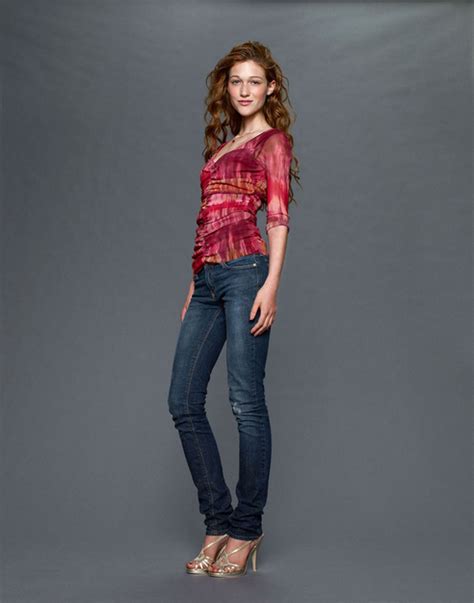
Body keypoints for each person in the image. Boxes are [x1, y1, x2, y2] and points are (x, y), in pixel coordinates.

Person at [167, 40, 299, 578]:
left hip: (247, 274)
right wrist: (193, 282)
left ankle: (246, 528)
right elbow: (209, 218)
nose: (245, 90)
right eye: (236, 81)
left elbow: (278, 216)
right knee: (183, 401)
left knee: (245, 402)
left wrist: (272, 284)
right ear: (227, 87)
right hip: (207, 280)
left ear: (270, 88)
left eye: (255, 81)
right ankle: (217, 521)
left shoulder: (273, 142)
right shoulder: (222, 147)